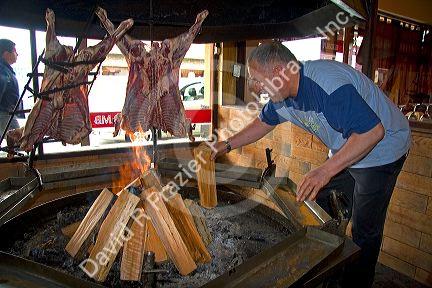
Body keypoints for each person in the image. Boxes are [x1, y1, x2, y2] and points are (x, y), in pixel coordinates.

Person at [210, 41, 410, 288]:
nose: (257, 87)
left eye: (258, 80)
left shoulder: (327, 85)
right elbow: (263, 122)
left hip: (382, 149)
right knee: (322, 208)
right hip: (347, 145)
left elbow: (372, 132)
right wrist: (226, 145)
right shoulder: (281, 96)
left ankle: (357, 282)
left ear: (278, 71)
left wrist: (325, 170)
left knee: (364, 229)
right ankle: (329, 271)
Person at [0, 39, 20, 136]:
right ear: (6, 53)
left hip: (6, 113)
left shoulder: (6, 70)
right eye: (15, 51)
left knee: (14, 145)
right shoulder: (2, 70)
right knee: (19, 142)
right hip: (5, 113)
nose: (17, 54)